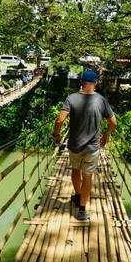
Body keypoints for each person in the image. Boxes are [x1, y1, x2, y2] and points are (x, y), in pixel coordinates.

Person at [53, 70, 117, 220]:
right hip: (92, 148)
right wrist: (106, 135)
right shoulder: (101, 100)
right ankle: (82, 210)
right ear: (95, 83)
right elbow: (113, 123)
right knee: (87, 176)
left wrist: (56, 135)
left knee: (75, 169)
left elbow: (59, 120)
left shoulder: (71, 98)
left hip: (74, 145)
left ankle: (77, 195)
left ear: (81, 82)